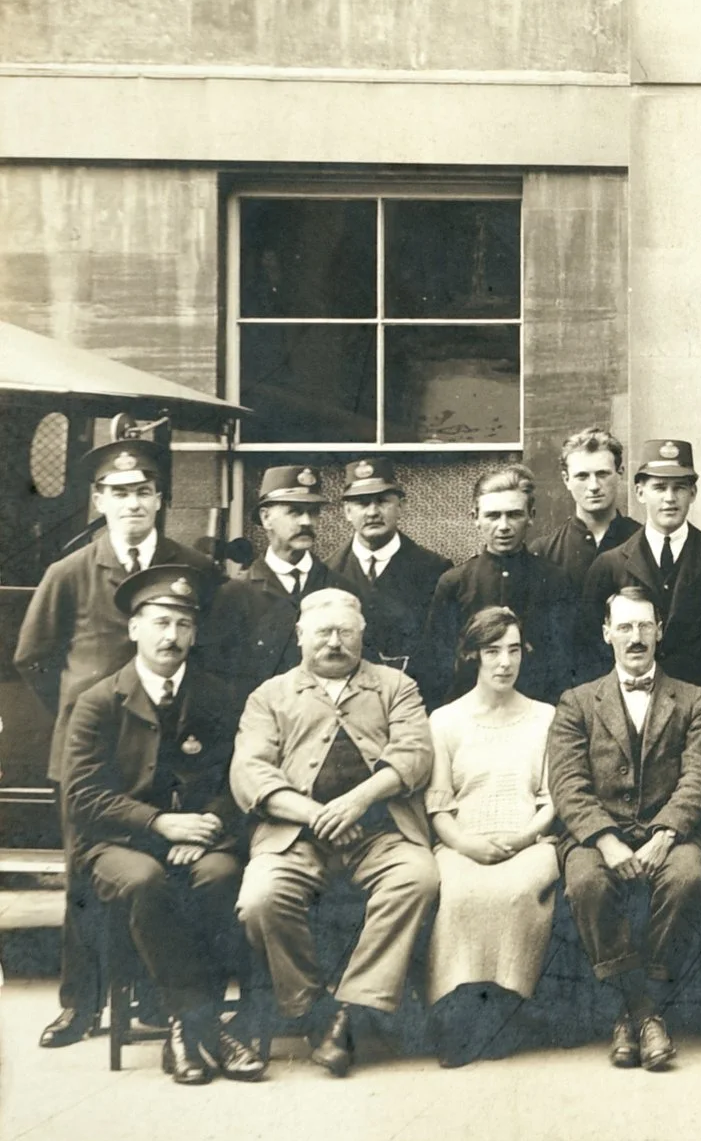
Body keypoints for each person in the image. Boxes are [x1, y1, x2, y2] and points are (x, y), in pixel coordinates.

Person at [17, 425, 216, 1048]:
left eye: (143, 490)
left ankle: (161, 997)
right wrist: (83, 716)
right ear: (98, 499)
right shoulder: (70, 572)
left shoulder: (190, 569)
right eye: (118, 491)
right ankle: (81, 1005)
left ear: (160, 499)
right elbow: (33, 658)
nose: (131, 502)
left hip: (171, 751)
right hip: (90, 760)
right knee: (85, 883)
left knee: (163, 873)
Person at [59, 563, 259, 1084]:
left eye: (183, 625)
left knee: (219, 876)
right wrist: (160, 823)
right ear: (134, 628)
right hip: (118, 844)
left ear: (195, 632)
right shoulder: (98, 701)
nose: (172, 636)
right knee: (147, 883)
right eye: (161, 622)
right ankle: (196, 1025)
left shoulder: (218, 696)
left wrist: (208, 825)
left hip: (201, 838)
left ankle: (188, 1031)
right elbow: (83, 796)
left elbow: (238, 777)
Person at [229, 588, 440, 1078]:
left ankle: (353, 1006)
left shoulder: (396, 686)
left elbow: (414, 755)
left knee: (419, 878)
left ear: (362, 635)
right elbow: (251, 776)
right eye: (323, 632)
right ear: (300, 635)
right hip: (294, 837)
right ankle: (313, 1009)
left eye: (346, 632)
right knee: (260, 897)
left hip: (379, 833)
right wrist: (314, 814)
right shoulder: (270, 696)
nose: (335, 642)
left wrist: (358, 801)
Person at [545, 586, 701, 1072]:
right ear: (607, 634)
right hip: (598, 835)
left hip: (671, 833)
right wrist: (605, 840)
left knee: (685, 878)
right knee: (585, 882)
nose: (635, 637)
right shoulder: (577, 702)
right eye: (624, 627)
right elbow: (568, 783)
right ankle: (648, 1015)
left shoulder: (693, 699)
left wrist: (665, 834)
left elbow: (697, 777)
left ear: (660, 630)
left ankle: (632, 1012)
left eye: (644, 626)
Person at [423, 606, 558, 1069]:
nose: (505, 662)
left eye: (514, 650)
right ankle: (458, 1013)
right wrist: (466, 844)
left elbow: (551, 800)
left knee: (519, 891)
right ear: (472, 656)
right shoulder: (444, 721)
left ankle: (506, 1009)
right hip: (464, 841)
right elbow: (438, 805)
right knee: (458, 893)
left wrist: (523, 839)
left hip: (529, 841)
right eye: (493, 651)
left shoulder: (545, 717)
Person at [579, 439, 701, 707]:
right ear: (639, 492)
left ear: (693, 493)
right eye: (659, 488)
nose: (669, 498)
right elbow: (591, 650)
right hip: (631, 707)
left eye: (680, 488)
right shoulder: (609, 566)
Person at [419, 465, 582, 706]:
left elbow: (565, 662)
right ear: (475, 518)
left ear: (531, 516)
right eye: (493, 515)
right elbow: (436, 666)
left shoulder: (555, 580)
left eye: (514, 514)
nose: (504, 526)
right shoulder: (454, 582)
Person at [197, 463, 335, 689]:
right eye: (294, 512)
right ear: (266, 517)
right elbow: (216, 676)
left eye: (313, 512)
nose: (306, 522)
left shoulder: (337, 588)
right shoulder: (234, 594)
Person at [324, 458, 450, 674]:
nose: (372, 512)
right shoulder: (327, 572)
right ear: (347, 512)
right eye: (362, 503)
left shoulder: (434, 570)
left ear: (401, 506)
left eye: (382, 501)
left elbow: (442, 651)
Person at [534, 426, 643, 588]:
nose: (593, 486)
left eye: (602, 474)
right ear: (566, 480)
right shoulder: (543, 551)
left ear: (620, 473)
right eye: (582, 476)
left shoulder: (645, 542)